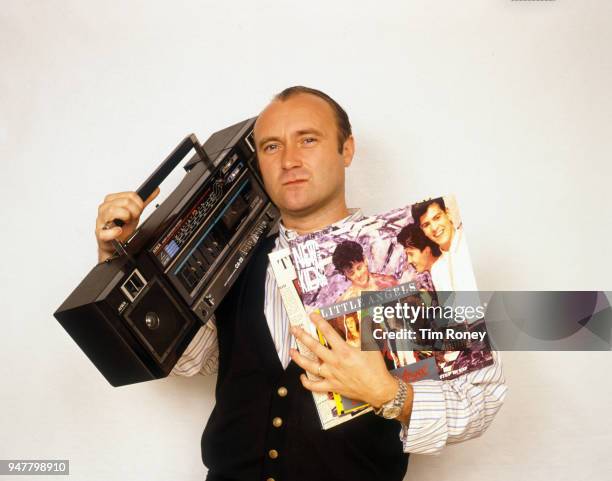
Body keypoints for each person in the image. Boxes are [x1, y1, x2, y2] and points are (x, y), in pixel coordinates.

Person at [95, 86, 507, 481]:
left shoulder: (411, 256)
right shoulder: (228, 260)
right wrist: (123, 259)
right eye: (271, 146)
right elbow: (190, 360)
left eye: (307, 139)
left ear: (347, 149)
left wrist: (390, 395)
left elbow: (480, 398)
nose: (288, 159)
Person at [411, 197, 478, 292]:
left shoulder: (469, 241)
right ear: (423, 230)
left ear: (448, 214)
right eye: (426, 225)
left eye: (437, 218)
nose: (434, 228)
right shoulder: (437, 270)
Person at [332, 239, 397, 301]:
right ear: (344, 274)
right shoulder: (347, 300)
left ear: (365, 260)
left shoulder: (389, 282)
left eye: (359, 268)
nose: (358, 275)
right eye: (351, 273)